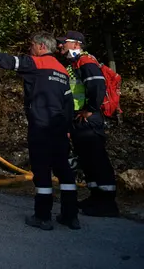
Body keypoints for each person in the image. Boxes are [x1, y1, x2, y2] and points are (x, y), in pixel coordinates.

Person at [0, 32, 80, 230]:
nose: (29, 49)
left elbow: (4, 60)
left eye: (31, 45)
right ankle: (70, 216)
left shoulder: (36, 64)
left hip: (41, 126)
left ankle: (42, 217)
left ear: (41, 47)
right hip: (59, 128)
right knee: (64, 171)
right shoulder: (62, 71)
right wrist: (67, 130)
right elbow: (68, 105)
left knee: (42, 171)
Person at [57, 31, 119, 217]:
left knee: (96, 159)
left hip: (89, 120)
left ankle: (107, 203)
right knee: (87, 159)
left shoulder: (86, 61)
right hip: (79, 119)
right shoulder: (75, 63)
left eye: (63, 43)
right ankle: (96, 197)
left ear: (76, 44)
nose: (60, 46)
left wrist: (90, 109)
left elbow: (97, 85)